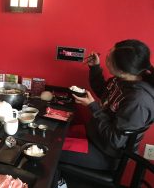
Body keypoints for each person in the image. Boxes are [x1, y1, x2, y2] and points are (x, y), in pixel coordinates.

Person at [59, 39, 154, 173]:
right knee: (52, 134)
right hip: (94, 135)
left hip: (106, 153)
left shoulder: (138, 101)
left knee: (50, 150)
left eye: (110, 57)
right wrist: (95, 67)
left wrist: (93, 107)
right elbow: (103, 91)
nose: (107, 56)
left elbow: (115, 140)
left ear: (122, 69)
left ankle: (60, 183)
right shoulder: (123, 79)